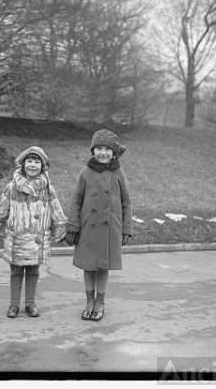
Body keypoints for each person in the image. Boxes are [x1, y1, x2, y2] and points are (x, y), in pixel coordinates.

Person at [65, 129, 133, 321]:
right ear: (93, 150)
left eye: (107, 149)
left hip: (110, 229)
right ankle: (89, 301)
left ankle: (100, 302)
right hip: (88, 228)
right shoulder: (85, 173)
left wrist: (127, 228)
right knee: (88, 266)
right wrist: (72, 226)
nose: (103, 153)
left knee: (102, 267)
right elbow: (76, 200)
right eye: (99, 148)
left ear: (114, 152)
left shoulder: (118, 173)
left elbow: (126, 202)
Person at [0, 146, 67, 318]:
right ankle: (14, 304)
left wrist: (61, 228)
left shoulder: (48, 189)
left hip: (37, 238)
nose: (32, 165)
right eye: (29, 161)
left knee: (33, 271)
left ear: (43, 166)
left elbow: (56, 210)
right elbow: (2, 209)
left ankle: (30, 303)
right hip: (17, 236)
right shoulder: (12, 187)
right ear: (23, 163)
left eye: (36, 162)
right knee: (16, 271)